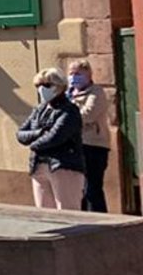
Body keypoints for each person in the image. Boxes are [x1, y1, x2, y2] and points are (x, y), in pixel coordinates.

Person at [18, 68, 86, 210]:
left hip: (62, 165)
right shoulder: (39, 110)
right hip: (38, 165)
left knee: (67, 210)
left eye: (47, 85)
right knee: (44, 211)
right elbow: (21, 134)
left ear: (60, 86)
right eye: (38, 86)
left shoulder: (69, 110)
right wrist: (39, 132)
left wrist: (34, 145)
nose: (42, 89)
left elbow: (55, 136)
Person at [70, 60, 114, 213]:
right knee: (78, 189)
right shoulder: (68, 93)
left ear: (88, 74)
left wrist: (67, 117)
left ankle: (99, 220)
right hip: (74, 145)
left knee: (92, 188)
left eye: (78, 73)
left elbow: (88, 114)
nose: (74, 77)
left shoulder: (96, 92)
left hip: (94, 145)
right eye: (71, 73)